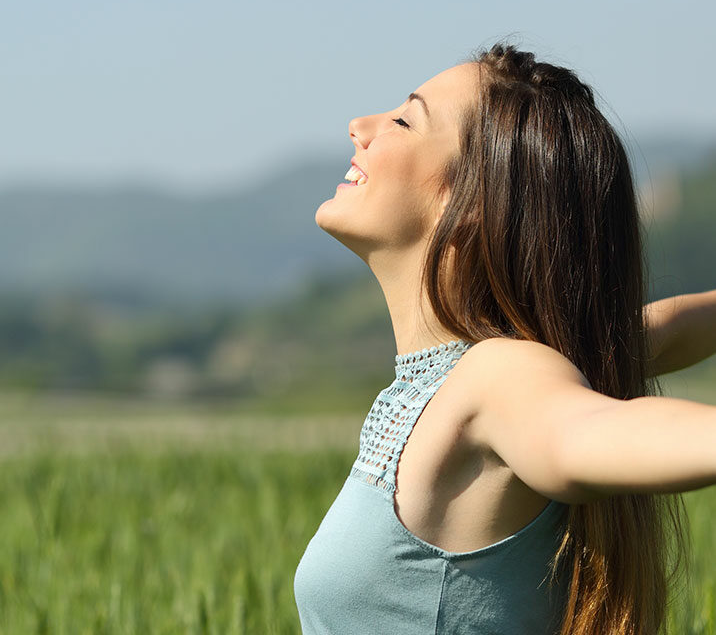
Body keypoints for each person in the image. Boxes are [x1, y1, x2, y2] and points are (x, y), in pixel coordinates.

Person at [293, 42, 716, 635]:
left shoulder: (498, 379)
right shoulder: (465, 380)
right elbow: (654, 332)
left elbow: (581, 435)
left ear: (470, 204)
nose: (360, 127)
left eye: (403, 120)